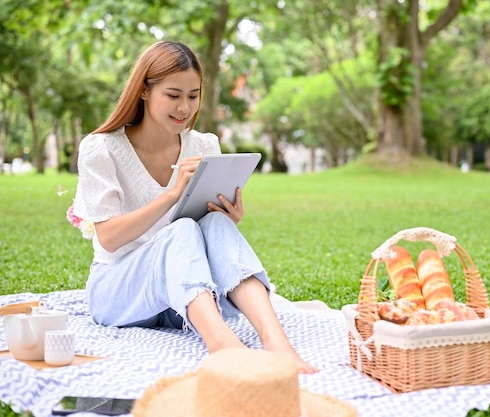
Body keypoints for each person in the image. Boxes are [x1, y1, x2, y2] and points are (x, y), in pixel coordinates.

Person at [72, 40, 317, 374]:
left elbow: (208, 232)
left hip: (181, 300)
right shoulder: (102, 148)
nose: (184, 107)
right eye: (173, 95)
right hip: (119, 293)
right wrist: (171, 195)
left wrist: (228, 219)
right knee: (183, 228)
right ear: (144, 91)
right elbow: (108, 239)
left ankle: (276, 343)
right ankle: (223, 347)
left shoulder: (203, 145)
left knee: (214, 225)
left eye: (193, 95)